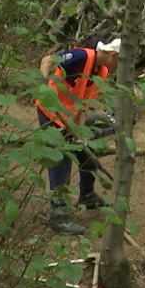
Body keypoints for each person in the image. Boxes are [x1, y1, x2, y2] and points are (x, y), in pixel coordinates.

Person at [35, 39, 121, 234]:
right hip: (51, 111)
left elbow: (85, 103)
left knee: (88, 151)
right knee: (61, 161)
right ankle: (59, 216)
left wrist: (81, 131)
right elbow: (48, 60)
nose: (119, 68)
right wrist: (43, 84)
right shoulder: (82, 56)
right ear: (113, 55)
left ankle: (87, 195)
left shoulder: (103, 72)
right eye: (120, 63)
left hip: (71, 119)